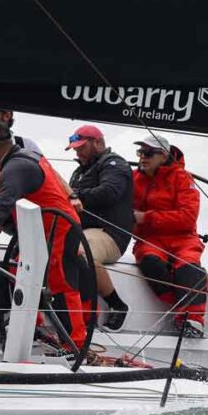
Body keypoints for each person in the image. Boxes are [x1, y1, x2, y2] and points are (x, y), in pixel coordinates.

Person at [0, 122, 87, 348]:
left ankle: (75, 345)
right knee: (21, 271)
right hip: (40, 230)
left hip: (59, 228)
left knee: (61, 283)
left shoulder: (15, 167)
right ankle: (31, 327)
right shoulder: (28, 156)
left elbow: (4, 199)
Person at [131, 133, 207, 337]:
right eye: (140, 152)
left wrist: (146, 218)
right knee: (149, 261)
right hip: (152, 239)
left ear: (163, 157)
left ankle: (193, 320)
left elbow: (187, 218)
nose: (143, 158)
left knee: (189, 266)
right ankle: (179, 301)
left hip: (183, 238)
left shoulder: (182, 178)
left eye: (149, 153)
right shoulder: (134, 179)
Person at [66, 124, 134, 331]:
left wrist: (75, 196)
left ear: (97, 143)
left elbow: (109, 192)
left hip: (109, 233)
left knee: (83, 254)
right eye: (75, 149)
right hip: (82, 229)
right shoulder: (79, 171)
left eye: (81, 147)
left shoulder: (115, 165)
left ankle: (116, 305)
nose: (77, 152)